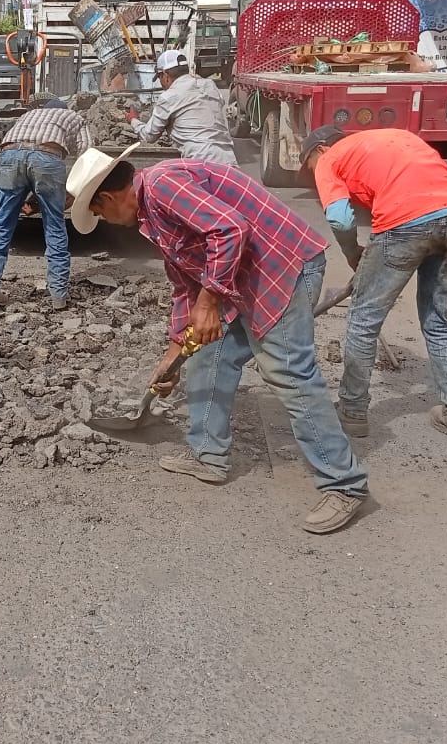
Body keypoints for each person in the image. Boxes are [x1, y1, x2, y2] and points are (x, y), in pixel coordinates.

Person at [67, 150, 370, 535]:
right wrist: (176, 349)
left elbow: (229, 229)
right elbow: (185, 284)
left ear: (106, 198)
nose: (105, 221)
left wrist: (210, 302)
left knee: (289, 373)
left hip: (279, 266)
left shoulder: (162, 186)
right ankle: (207, 454)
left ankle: (344, 484)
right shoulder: (152, 214)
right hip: (242, 275)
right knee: (207, 354)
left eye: (98, 213)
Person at [300, 126, 447, 446]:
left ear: (322, 149)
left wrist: (352, 252)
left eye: (310, 164)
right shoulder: (392, 138)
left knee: (363, 320)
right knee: (439, 322)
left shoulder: (331, 159)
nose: (314, 175)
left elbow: (340, 219)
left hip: (405, 224)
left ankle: (353, 411)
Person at [0, 98, 92, 314]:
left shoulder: (27, 116)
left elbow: (18, 152)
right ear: (62, 112)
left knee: (2, 224)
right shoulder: (74, 117)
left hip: (9, 156)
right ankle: (58, 297)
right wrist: (76, 189)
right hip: (47, 158)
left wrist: (28, 197)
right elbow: (87, 154)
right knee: (54, 226)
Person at [126, 50, 236, 165]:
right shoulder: (210, 85)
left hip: (201, 165)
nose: (161, 84)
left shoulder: (168, 97)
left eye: (159, 78)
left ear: (165, 75)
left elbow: (149, 136)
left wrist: (133, 120)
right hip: (229, 161)